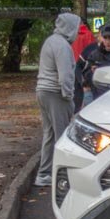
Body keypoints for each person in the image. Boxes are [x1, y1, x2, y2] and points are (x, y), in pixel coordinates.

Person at [36, 13, 81, 187]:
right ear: (70, 28)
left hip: (43, 91)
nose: (77, 32)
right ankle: (63, 176)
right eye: (76, 28)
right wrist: (69, 96)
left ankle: (44, 174)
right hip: (56, 94)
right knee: (63, 137)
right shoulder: (62, 45)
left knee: (49, 134)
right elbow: (65, 75)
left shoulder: (51, 41)